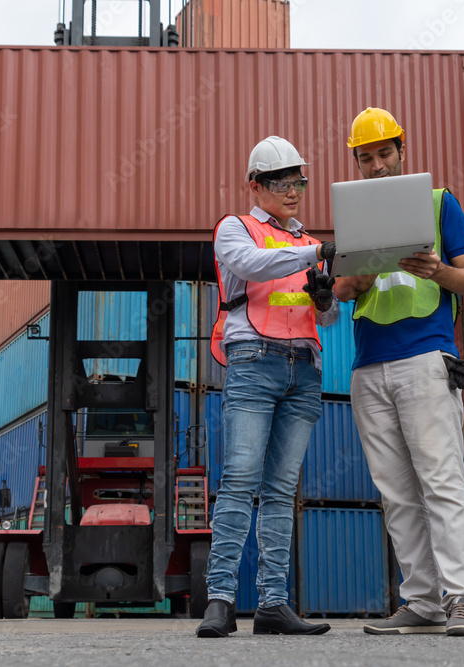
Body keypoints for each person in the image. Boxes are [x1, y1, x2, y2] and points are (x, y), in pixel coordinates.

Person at [332, 108, 464, 637]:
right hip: (368, 365)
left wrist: (437, 270)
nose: (376, 165)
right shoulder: (351, 215)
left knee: (442, 479)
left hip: (425, 356)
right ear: (356, 162)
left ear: (403, 150)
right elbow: (342, 291)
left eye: (383, 153)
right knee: (396, 491)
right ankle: (422, 600)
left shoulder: (440, 202)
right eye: (365, 157)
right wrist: (363, 275)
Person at [196, 136, 337, 638]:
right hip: (253, 360)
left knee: (280, 490)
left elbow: (332, 315)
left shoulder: (307, 240)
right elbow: (252, 266)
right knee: (240, 480)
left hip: (304, 366)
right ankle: (220, 601)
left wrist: (325, 297)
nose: (293, 191)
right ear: (255, 185)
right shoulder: (235, 228)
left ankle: (274, 604)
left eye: (298, 180)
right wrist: (314, 254)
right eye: (281, 182)